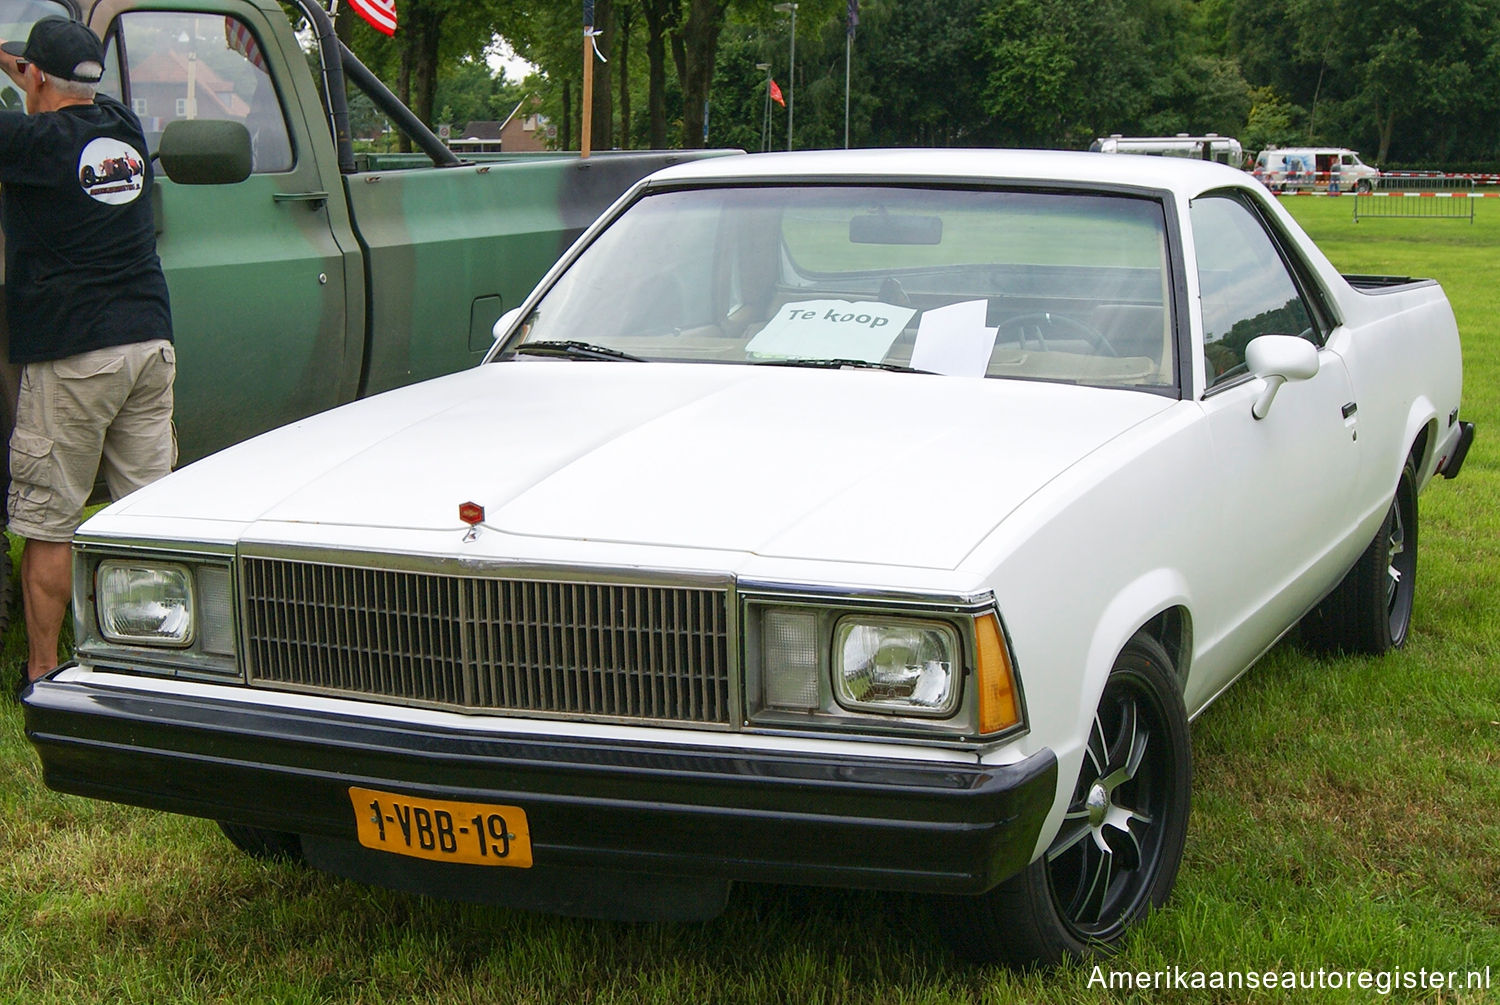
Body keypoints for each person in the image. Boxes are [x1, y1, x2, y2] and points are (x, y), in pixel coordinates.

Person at [0, 16, 175, 700]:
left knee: (51, 519)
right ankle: (158, 662)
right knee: (147, 516)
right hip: (150, 344)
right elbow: (65, 87)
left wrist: (23, 74)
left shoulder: (32, 142)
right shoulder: (124, 127)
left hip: (76, 354)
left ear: (34, 78)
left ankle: (43, 670)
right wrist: (27, 66)